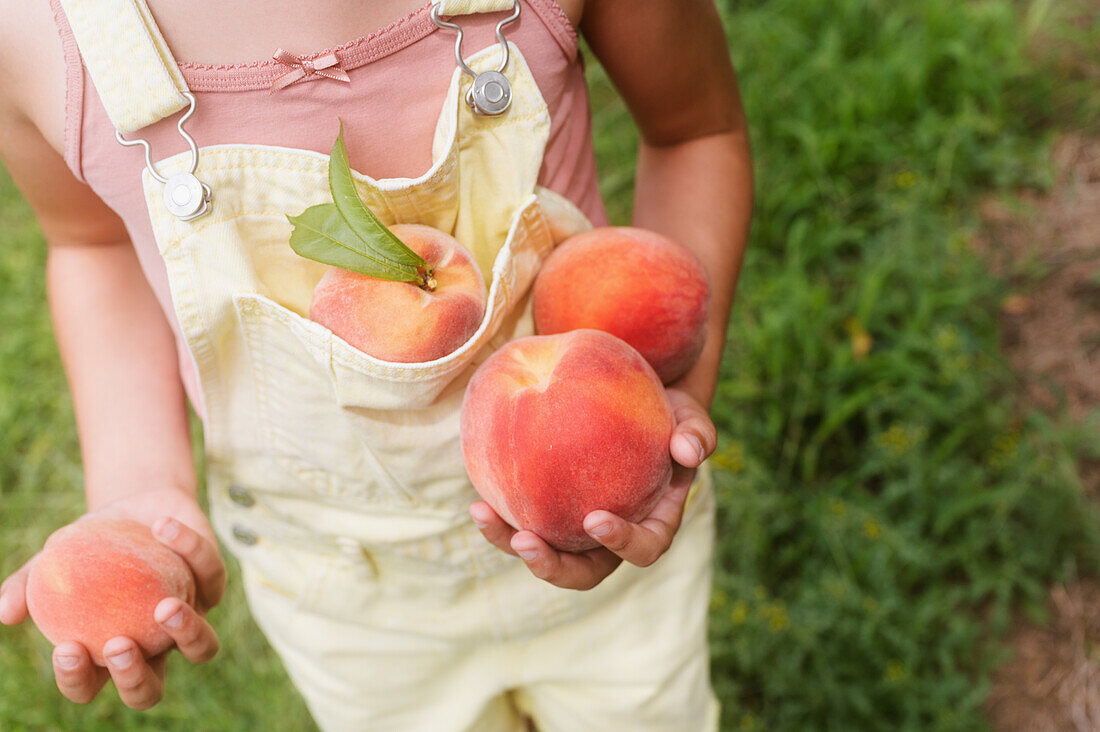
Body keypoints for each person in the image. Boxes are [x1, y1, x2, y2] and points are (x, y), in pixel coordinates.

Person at [0, 0, 752, 729]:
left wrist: (676, 386)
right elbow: (94, 243)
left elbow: (695, 129)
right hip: (345, 595)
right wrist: (137, 486)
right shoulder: (38, 33)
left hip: (613, 526)